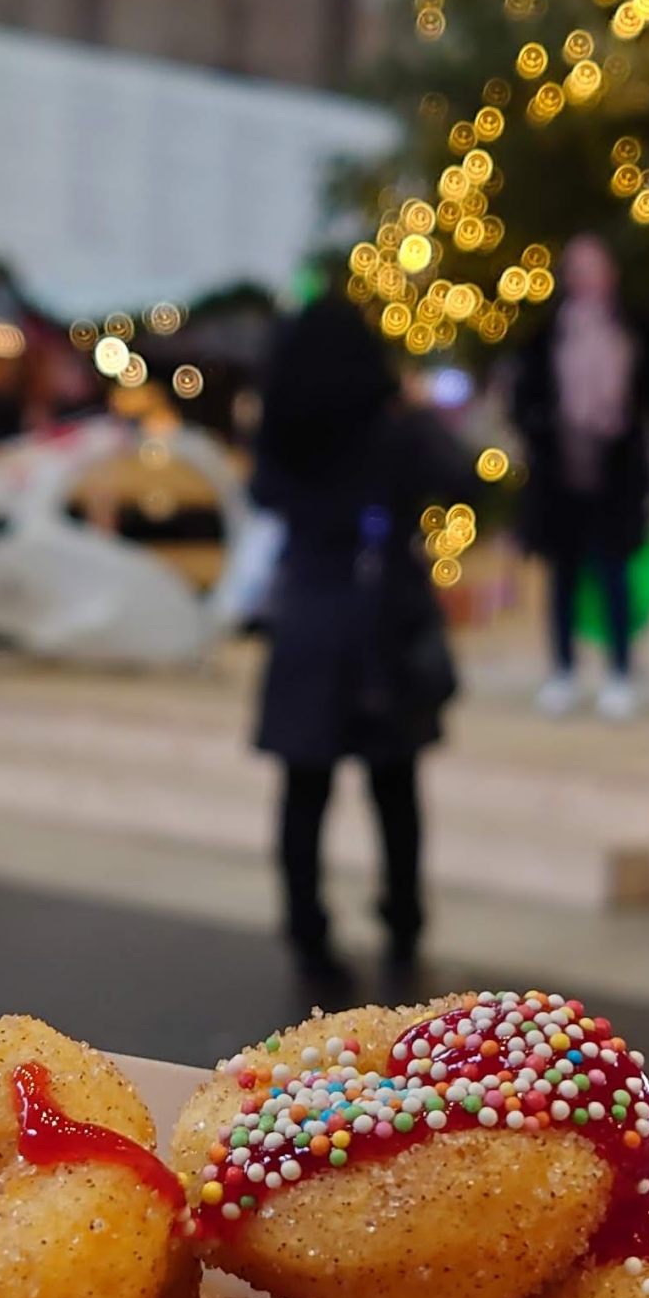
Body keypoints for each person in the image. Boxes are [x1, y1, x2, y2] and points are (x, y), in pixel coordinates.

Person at [251, 297, 463, 995]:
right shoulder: (394, 430)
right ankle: (403, 924)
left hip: (309, 617)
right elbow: (456, 474)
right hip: (381, 621)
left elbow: (265, 496)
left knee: (304, 790)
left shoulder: (284, 431)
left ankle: (306, 930)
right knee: (394, 787)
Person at [512, 235, 649, 721]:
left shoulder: (632, 333)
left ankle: (621, 672)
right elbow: (525, 400)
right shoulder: (547, 337)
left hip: (615, 479)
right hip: (561, 480)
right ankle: (563, 671)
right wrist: (545, 429)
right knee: (563, 579)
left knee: (615, 577)